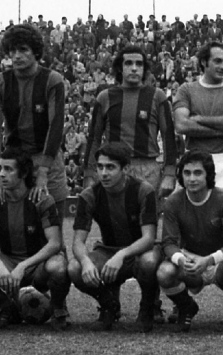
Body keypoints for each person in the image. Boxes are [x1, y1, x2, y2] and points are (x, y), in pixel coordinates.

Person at [0, 147, 70, 330]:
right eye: (0, 169)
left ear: (24, 172)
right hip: (8, 261)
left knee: (59, 266)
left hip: (38, 264)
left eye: (8, 169)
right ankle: (7, 307)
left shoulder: (43, 200)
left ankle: (58, 309)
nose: (1, 175)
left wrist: (23, 266)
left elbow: (55, 243)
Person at [69, 142, 162, 332]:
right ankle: (109, 305)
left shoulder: (144, 190)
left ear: (125, 169)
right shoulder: (89, 195)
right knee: (75, 267)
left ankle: (147, 308)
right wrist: (86, 262)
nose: (103, 173)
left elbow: (149, 238)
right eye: (100, 167)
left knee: (150, 261)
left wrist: (121, 255)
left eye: (110, 167)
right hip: (108, 250)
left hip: (139, 251)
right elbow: (78, 241)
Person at [157, 152, 223, 333]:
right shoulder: (174, 202)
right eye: (187, 173)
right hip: (190, 262)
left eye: (198, 173)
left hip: (220, 262)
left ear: (208, 174)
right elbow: (168, 243)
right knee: (164, 271)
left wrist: (209, 260)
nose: (192, 178)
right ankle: (186, 307)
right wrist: (181, 260)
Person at [0, 23, 69, 214]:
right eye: (12, 50)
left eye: (23, 50)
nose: (16, 56)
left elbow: (56, 126)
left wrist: (44, 171)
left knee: (53, 225)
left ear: (36, 52)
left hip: (49, 159)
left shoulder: (53, 80)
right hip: (14, 161)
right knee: (18, 223)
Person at [84, 44, 178, 197]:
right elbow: (94, 138)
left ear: (144, 68)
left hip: (147, 169)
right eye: (129, 63)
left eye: (139, 64)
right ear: (120, 68)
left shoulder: (157, 96)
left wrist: (169, 174)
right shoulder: (105, 97)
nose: (134, 68)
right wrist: (89, 174)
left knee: (147, 219)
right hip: (113, 168)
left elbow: (168, 137)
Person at [172, 42, 223, 205]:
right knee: (191, 222)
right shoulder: (186, 89)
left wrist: (200, 119)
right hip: (193, 161)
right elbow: (181, 125)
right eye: (218, 61)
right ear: (203, 62)